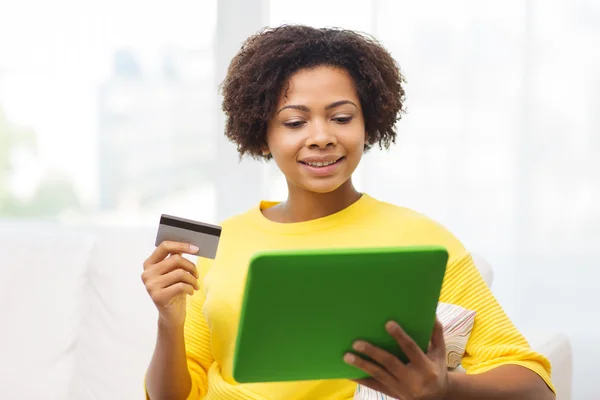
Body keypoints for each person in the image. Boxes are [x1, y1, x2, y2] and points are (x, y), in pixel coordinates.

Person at [142, 25, 555, 400]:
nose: (321, 137)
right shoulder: (223, 241)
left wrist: (445, 389)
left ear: (368, 124)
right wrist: (169, 321)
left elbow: (535, 386)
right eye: (294, 122)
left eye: (341, 117)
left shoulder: (419, 238)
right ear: (263, 135)